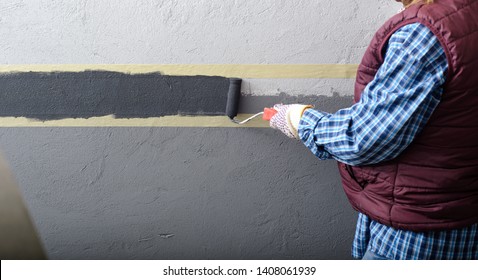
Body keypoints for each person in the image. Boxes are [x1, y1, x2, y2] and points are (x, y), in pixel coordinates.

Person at [269, 0, 478, 260]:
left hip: (413, 238)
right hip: (459, 220)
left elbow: (363, 139)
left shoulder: (424, 35)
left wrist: (299, 119)